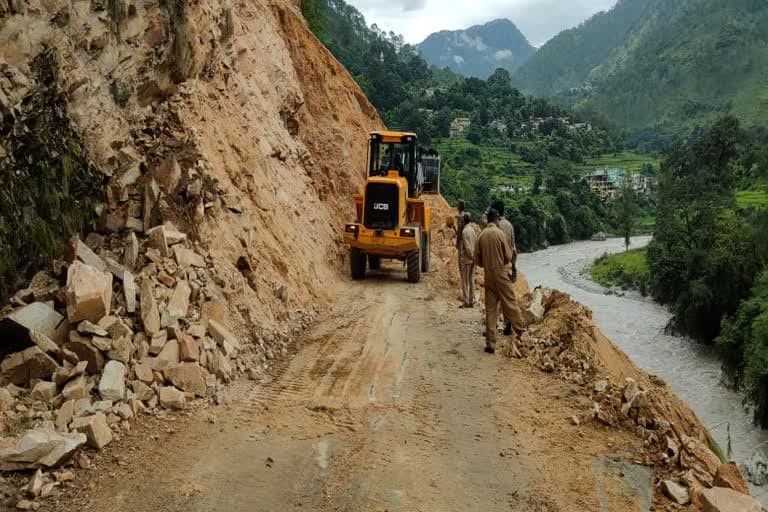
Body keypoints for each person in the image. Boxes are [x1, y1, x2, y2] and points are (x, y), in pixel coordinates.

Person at [474, 208, 526, 354]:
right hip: (501, 273)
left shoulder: (481, 235)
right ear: (496, 219)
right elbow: (508, 256)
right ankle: (521, 331)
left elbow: (476, 258)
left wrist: (486, 264)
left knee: (491, 308)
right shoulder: (499, 233)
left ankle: (490, 343)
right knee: (510, 302)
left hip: (488, 274)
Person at [491, 200, 518, 335]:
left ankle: (493, 325)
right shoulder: (509, 225)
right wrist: (514, 266)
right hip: (506, 266)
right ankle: (508, 324)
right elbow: (513, 248)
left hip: (494, 265)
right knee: (507, 297)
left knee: (493, 298)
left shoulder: (492, 227)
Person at [459, 212, 476, 308]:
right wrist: (475, 257)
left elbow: (466, 246)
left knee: (465, 280)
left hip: (467, 259)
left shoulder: (465, 232)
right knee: (471, 280)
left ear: (463, 220)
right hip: (473, 259)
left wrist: (470, 256)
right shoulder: (473, 230)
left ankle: (466, 301)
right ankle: (471, 300)